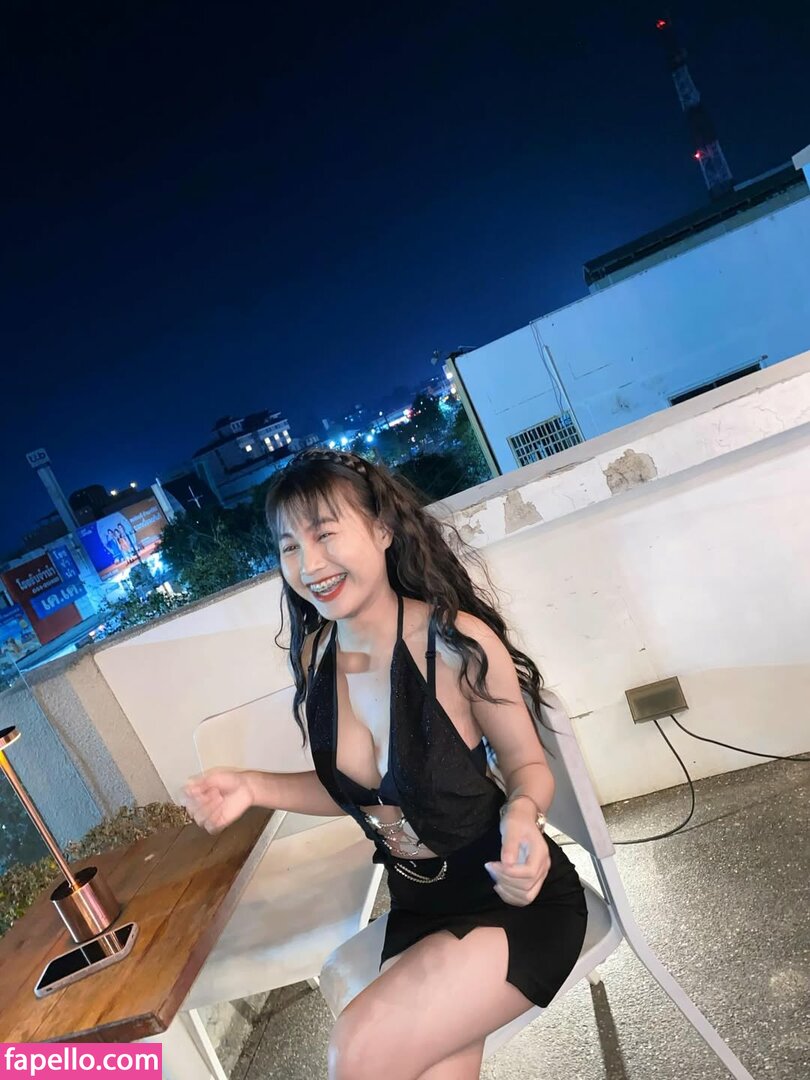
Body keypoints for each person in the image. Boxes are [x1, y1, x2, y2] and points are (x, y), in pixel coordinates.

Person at [184, 449, 587, 1080]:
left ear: (382, 529)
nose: (308, 565)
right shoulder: (323, 653)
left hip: (512, 901)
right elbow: (363, 793)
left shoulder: (454, 644)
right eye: (289, 547)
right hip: (419, 909)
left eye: (324, 534)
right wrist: (252, 786)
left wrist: (523, 817)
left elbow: (525, 764)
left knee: (359, 1050)